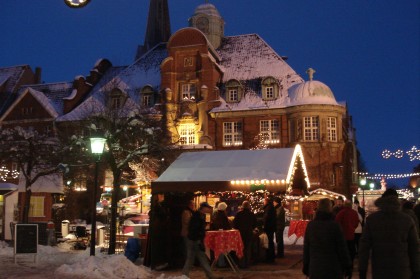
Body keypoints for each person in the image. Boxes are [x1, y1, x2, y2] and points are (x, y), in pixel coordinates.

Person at [358, 189, 420, 279]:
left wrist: (362, 269)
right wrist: (416, 270)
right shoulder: (407, 220)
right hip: (402, 269)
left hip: (380, 268)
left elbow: (364, 247)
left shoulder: (372, 220)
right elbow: (414, 247)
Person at [303, 198, 352, 279]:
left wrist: (306, 265)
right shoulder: (335, 225)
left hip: (316, 267)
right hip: (333, 267)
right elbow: (342, 248)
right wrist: (347, 266)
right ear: (330, 208)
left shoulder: (311, 226)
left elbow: (307, 247)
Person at [182, 202, 218, 279]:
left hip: (194, 239)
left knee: (194, 258)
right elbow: (194, 228)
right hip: (195, 240)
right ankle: (210, 275)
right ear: (204, 208)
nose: (209, 209)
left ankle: (184, 275)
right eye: (208, 208)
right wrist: (199, 238)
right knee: (198, 258)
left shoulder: (199, 215)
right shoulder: (197, 216)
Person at [335, 200, 359, 269]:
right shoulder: (354, 213)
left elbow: (337, 222)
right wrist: (352, 228)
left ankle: (344, 265)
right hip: (351, 235)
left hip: (343, 236)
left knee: (344, 252)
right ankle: (350, 264)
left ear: (344, 205)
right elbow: (356, 223)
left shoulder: (341, 213)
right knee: (351, 251)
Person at [233, 200, 257, 268]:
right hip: (249, 233)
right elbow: (255, 224)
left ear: (242, 206)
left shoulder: (238, 214)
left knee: (241, 248)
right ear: (248, 206)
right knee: (247, 249)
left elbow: (235, 224)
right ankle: (247, 263)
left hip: (240, 234)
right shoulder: (252, 214)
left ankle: (241, 263)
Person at [262, 197, 276, 263]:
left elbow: (266, 218)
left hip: (269, 228)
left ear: (266, 202)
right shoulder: (271, 207)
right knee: (270, 242)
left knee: (269, 242)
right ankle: (271, 257)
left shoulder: (268, 208)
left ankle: (270, 258)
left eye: (264, 201)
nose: (263, 202)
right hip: (271, 227)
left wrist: (264, 226)